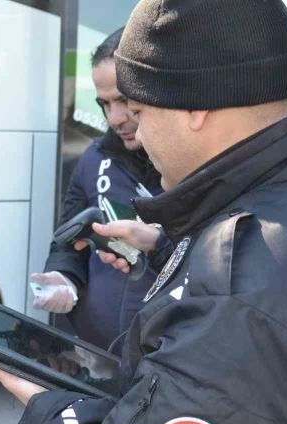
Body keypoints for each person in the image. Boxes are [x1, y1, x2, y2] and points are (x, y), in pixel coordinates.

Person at [0, 1, 287, 424]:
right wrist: (164, 247)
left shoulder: (244, 297)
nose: (134, 129)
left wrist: (48, 407)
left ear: (195, 105)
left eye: (139, 109)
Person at [30, 27, 167, 349]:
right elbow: (68, 242)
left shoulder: (191, 167)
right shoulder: (92, 159)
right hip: (95, 354)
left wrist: (159, 243)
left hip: (160, 358)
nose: (115, 118)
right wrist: (63, 278)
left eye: (124, 100)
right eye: (104, 104)